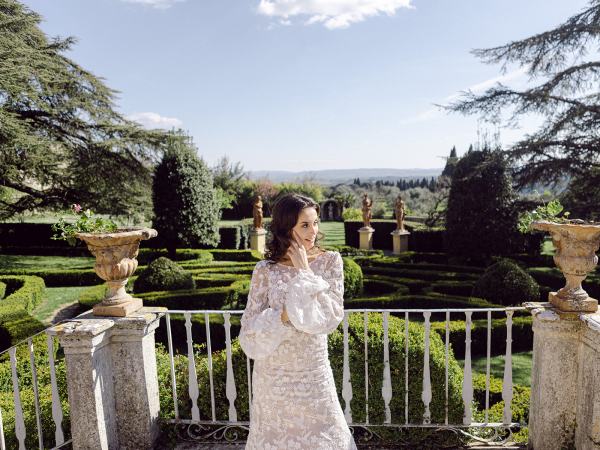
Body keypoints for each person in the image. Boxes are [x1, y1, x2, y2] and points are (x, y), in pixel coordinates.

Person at [239, 193, 357, 450]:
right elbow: (248, 332)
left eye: (315, 223)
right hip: (272, 378)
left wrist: (305, 272)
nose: (313, 231)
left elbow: (330, 316)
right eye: (305, 225)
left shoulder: (330, 262)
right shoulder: (265, 270)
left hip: (313, 373)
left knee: (329, 437)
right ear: (285, 226)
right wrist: (282, 316)